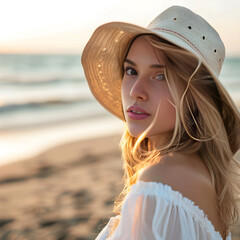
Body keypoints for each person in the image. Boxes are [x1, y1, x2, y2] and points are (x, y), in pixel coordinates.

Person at [81, 5, 240, 240]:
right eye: (131, 70)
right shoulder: (199, 173)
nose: (136, 91)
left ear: (196, 97)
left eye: (160, 76)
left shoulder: (162, 181)